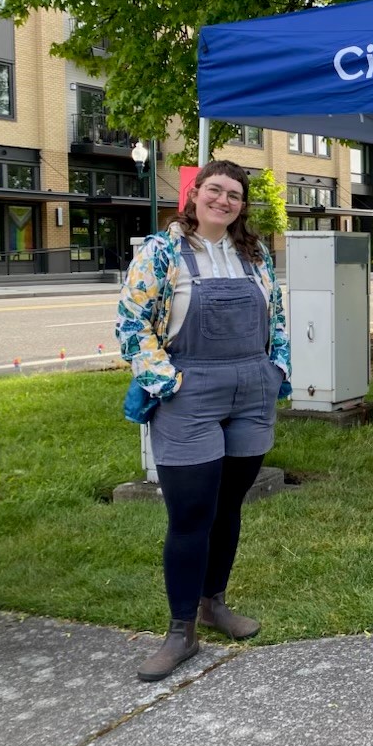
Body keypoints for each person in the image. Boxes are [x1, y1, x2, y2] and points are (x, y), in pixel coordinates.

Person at [116, 160, 290, 682]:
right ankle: (181, 631)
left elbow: (277, 317)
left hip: (251, 391)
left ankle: (214, 603)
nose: (224, 200)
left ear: (242, 205)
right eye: (215, 190)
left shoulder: (253, 254)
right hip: (189, 392)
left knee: (229, 505)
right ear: (194, 194)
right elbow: (133, 324)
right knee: (191, 515)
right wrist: (166, 382)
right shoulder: (161, 251)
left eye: (234, 194)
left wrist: (277, 369)